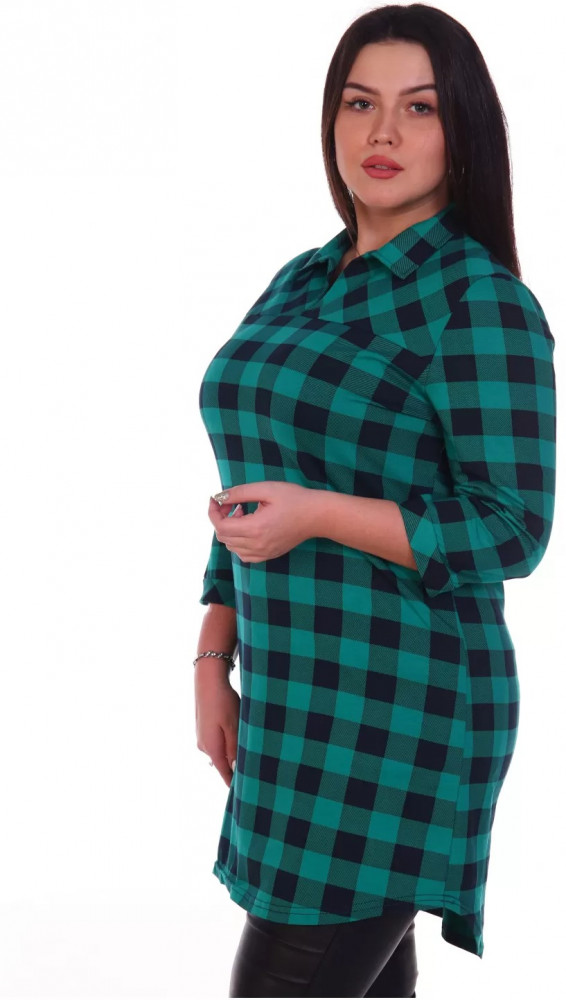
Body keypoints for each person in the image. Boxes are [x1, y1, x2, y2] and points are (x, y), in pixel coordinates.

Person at [193, 3, 556, 996]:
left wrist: (316, 514)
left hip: (399, 712)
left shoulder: (477, 301)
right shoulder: (301, 280)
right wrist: (213, 657)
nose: (382, 132)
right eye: (359, 103)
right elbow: (250, 478)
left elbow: (513, 527)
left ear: (463, 130)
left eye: (418, 108)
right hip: (292, 700)